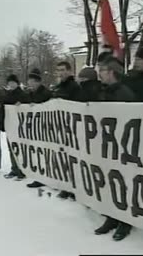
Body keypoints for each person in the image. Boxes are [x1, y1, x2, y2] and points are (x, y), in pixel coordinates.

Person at [94, 56, 136, 241]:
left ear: (111, 72)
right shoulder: (104, 91)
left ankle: (125, 222)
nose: (99, 74)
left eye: (102, 71)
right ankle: (111, 217)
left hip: (122, 146)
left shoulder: (124, 92)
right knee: (109, 181)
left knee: (122, 183)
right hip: (106, 144)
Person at [51, 61, 81, 200]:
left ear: (69, 71)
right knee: (63, 159)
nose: (60, 72)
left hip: (71, 128)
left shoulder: (74, 87)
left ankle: (75, 188)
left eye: (63, 70)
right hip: (60, 128)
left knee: (72, 159)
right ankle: (66, 186)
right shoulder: (58, 88)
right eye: (58, 70)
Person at [25, 69, 53, 188]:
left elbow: (49, 106)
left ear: (37, 82)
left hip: (45, 127)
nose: (29, 83)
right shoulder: (29, 93)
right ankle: (39, 176)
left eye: (30, 81)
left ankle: (47, 176)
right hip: (35, 128)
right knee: (37, 153)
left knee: (45, 153)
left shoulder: (45, 93)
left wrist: (37, 106)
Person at [3, 74, 29, 181]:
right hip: (10, 125)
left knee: (20, 149)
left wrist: (21, 104)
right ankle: (14, 168)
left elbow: (27, 106)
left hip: (20, 126)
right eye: (9, 83)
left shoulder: (22, 94)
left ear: (17, 83)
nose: (11, 85)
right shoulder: (8, 94)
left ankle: (22, 170)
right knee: (11, 148)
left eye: (13, 82)